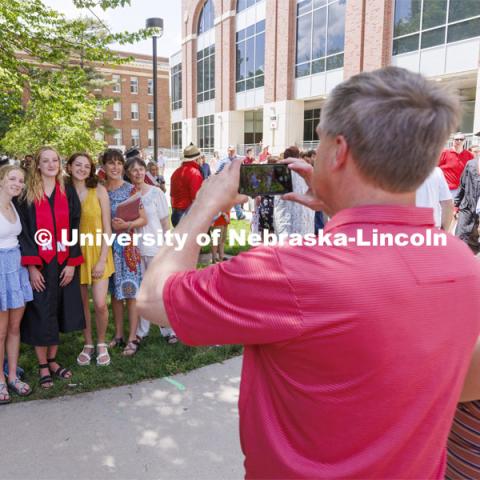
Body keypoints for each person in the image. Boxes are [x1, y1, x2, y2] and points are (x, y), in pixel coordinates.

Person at [137, 67, 480, 478]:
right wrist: (341, 207)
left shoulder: (290, 271)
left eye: (319, 143)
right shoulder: (462, 262)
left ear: (339, 151)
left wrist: (203, 207)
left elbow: (153, 298)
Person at [15, 147, 85, 389]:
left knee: (60, 309)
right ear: (37, 165)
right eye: (46, 161)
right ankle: (43, 365)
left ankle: (53, 360)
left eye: (55, 160)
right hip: (41, 265)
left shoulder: (67, 190)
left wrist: (72, 264)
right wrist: (33, 267)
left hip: (64, 261)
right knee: (41, 312)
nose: (51, 164)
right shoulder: (27, 194)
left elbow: (75, 227)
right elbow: (23, 232)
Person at [67, 153, 115, 367]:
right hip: (75, 253)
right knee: (82, 303)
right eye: (78, 165)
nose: (82, 169)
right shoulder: (64, 192)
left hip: (98, 251)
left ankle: (101, 343)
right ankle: (87, 343)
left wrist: (102, 259)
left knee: (100, 304)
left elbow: (107, 227)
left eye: (87, 166)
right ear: (69, 167)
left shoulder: (100, 190)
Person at [125, 157, 177, 345]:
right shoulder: (128, 195)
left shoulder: (155, 193)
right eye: (133, 170)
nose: (137, 173)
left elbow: (165, 222)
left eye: (140, 169)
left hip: (156, 248)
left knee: (160, 291)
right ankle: (142, 330)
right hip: (135, 250)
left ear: (145, 171)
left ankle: (168, 329)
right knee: (141, 292)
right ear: (128, 173)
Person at [102, 148, 147, 357]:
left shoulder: (131, 189)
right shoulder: (100, 190)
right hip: (107, 248)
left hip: (127, 248)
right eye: (111, 163)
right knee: (115, 295)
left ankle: (132, 337)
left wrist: (127, 223)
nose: (116, 167)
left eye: (119, 163)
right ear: (103, 166)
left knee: (130, 293)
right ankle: (118, 335)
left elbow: (143, 219)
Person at [0, 165, 33, 403]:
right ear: (1, 180)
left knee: (14, 328)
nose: (17, 183)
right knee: (0, 331)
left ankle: (12, 375)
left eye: (20, 180)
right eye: (12, 178)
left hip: (17, 267)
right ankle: (0, 380)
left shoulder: (13, 204)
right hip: (1, 269)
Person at [273, 146, 315, 236]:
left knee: (285, 240)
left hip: (285, 212)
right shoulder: (305, 169)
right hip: (301, 212)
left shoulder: (279, 170)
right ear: (298, 156)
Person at [170, 143, 204, 227]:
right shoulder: (195, 173)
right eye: (200, 158)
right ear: (196, 159)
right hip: (187, 214)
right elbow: (196, 199)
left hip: (175, 213)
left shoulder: (176, 172)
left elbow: (171, 196)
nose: (201, 160)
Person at [454, 147, 480, 252]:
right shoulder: (471, 164)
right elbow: (462, 185)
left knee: (474, 242)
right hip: (467, 206)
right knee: (460, 236)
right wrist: (456, 204)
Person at [438, 132, 474, 197]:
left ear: (464, 141)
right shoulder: (444, 153)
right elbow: (434, 169)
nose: (459, 141)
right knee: (448, 207)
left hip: (464, 190)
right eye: (456, 139)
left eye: (461, 139)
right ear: (453, 141)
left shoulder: (469, 155)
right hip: (447, 190)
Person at [216, 146, 246, 220]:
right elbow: (218, 172)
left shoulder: (238, 159)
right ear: (227, 151)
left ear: (235, 151)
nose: (231, 152)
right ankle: (236, 214)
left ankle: (238, 214)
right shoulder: (224, 161)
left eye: (232, 151)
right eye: (229, 151)